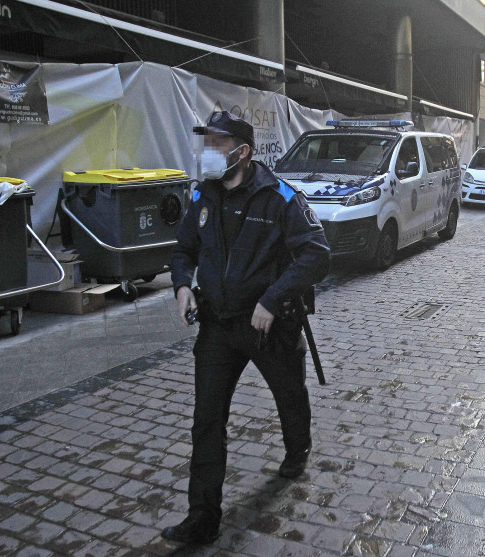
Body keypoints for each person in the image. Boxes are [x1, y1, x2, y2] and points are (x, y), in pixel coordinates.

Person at [162, 111, 330, 545]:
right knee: (207, 419)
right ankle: (202, 516)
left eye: (218, 144)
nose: (209, 152)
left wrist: (273, 300)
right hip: (217, 325)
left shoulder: (280, 197)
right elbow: (183, 250)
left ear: (243, 151)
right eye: (208, 143)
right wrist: (182, 287)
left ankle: (298, 449)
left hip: (267, 326)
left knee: (289, 394)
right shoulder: (203, 195)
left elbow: (317, 254)